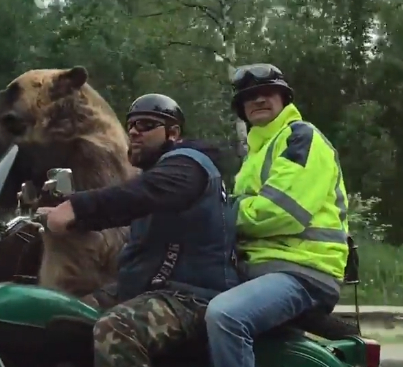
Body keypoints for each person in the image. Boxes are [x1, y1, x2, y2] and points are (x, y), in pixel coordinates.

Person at [37, 93, 239, 367]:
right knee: (57, 313)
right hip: (145, 289)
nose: (133, 131)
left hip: (190, 296)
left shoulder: (189, 164)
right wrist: (65, 216)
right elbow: (125, 204)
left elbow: (139, 195)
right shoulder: (160, 172)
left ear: (173, 133)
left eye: (146, 125)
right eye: (131, 124)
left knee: (117, 329)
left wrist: (79, 207)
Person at [204, 63, 350, 367]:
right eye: (250, 96)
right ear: (242, 109)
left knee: (226, 316)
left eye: (268, 93)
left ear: (285, 100)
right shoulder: (255, 154)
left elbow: (282, 211)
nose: (258, 100)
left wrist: (220, 213)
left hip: (302, 271)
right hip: (261, 269)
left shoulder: (300, 138)